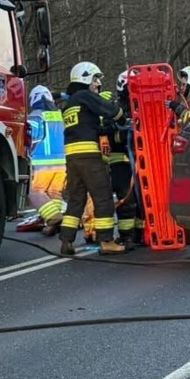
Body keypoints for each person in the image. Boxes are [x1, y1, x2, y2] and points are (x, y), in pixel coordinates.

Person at [58, 61, 126, 256]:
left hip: (72, 159)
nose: (97, 84)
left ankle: (66, 241)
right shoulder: (85, 96)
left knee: (76, 200)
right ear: (85, 78)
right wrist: (120, 116)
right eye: (95, 79)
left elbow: (88, 128)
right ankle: (106, 241)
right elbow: (111, 110)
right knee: (103, 196)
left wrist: (105, 129)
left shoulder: (69, 105)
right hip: (89, 156)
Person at [103, 78, 140, 249]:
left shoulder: (139, 105)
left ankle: (141, 233)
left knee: (142, 200)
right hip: (121, 160)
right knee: (126, 198)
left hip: (140, 159)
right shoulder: (116, 108)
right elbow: (110, 133)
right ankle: (127, 237)